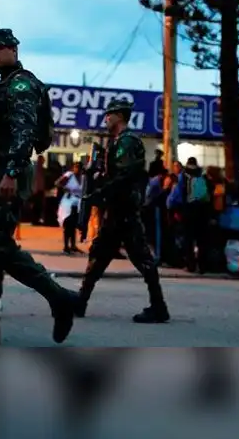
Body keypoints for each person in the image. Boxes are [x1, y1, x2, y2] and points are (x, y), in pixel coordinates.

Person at [0, 28, 80, 345]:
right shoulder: (4, 85)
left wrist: (11, 172)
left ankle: (59, 297)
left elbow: (24, 131)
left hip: (5, 174)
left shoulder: (21, 84)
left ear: (13, 49)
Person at [75, 98, 170, 323]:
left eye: (109, 115)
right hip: (117, 209)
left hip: (124, 210)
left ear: (119, 116)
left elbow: (125, 176)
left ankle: (158, 307)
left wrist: (100, 192)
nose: (106, 119)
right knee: (100, 254)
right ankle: (80, 302)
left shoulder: (127, 142)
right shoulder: (119, 142)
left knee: (139, 257)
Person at [56, 162, 85, 254]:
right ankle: (66, 246)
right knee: (68, 224)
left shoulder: (83, 178)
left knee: (74, 225)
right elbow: (57, 183)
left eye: (79, 168)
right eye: (76, 167)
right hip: (68, 202)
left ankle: (73, 245)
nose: (77, 169)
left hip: (78, 203)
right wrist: (66, 189)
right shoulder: (69, 175)